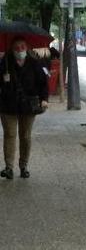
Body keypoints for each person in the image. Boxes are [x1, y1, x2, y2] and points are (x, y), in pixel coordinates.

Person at [0, 37, 48, 179]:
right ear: (12, 49)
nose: (19, 50)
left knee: (25, 136)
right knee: (10, 135)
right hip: (8, 106)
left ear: (26, 48)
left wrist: (44, 99)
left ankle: (23, 166)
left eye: (22, 47)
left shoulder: (34, 63)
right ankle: (9, 167)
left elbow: (43, 83)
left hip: (28, 105)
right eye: (16, 48)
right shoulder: (5, 62)